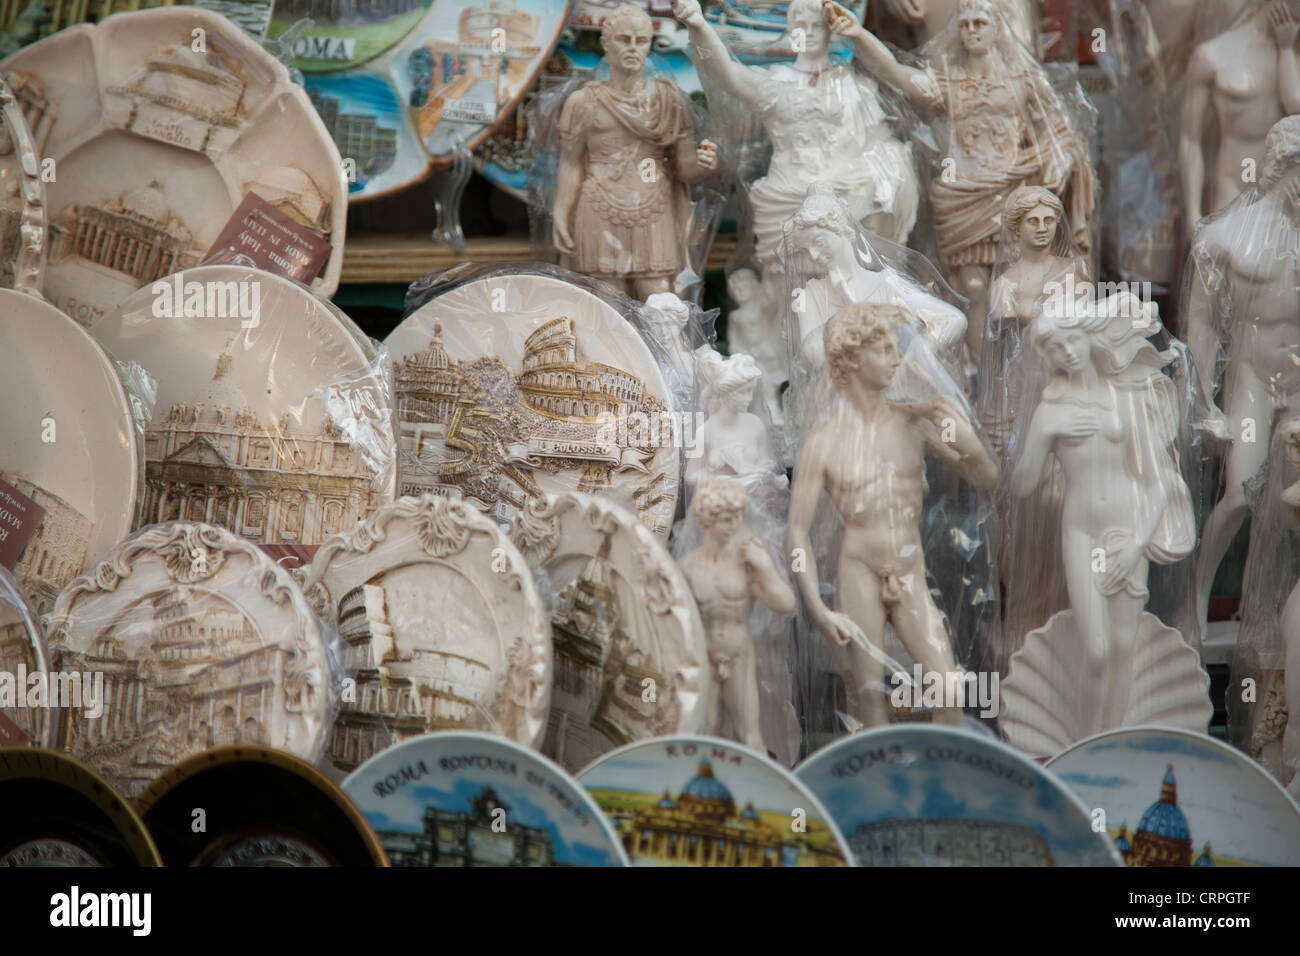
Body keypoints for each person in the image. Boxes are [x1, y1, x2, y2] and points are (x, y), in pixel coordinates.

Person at [828, 0, 1097, 358]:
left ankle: (1026, 374)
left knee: (1025, 288)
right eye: (966, 23)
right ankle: (981, 379)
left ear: (997, 29)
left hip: (1014, 193)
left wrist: (1056, 161)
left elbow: (1060, 133)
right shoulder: (948, 84)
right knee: (972, 288)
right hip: (962, 198)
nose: (972, 29)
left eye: (980, 22)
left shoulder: (1025, 80)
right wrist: (858, 35)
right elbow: (895, 72)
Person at [672, 0, 919, 366]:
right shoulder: (775, 83)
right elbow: (726, 74)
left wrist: (883, 171)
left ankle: (853, 359)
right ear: (792, 33)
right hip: (786, 195)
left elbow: (881, 140)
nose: (810, 34)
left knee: (847, 283)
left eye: (818, 27)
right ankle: (784, 367)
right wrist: (697, 25)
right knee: (783, 287)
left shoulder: (853, 85)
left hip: (844, 196)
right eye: (801, 27)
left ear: (829, 33)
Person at [788, 302, 998, 727]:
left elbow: (986, 479)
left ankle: (942, 778)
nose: (897, 359)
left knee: (949, 687)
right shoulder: (823, 444)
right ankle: (876, 783)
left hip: (909, 568)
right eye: (884, 349)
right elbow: (796, 532)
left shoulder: (913, 422)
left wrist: (969, 443)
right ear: (853, 357)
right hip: (858, 570)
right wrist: (817, 606)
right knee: (867, 698)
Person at [1010, 293, 1194, 734]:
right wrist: (1046, 433)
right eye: (1055, 348)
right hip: (1081, 530)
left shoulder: (1127, 395)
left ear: (1089, 338)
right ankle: (1089, 743)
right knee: (1096, 649)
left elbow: (1160, 481)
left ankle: (1113, 746)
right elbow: (1021, 485)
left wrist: (1135, 547)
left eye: (1072, 341)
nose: (1067, 353)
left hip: (1130, 528)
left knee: (1124, 646)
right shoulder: (1050, 410)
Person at [1189, 115, 1300, 639]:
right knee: (1240, 494)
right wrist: (1203, 400)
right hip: (1253, 375)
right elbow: (1203, 324)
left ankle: (1273, 614)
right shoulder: (1225, 237)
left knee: (1291, 504)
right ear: (1283, 168)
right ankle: (1195, 597)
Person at [552, 5, 717, 298]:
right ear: (606, 44)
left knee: (660, 298)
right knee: (606, 300)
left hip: (655, 207)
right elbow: (571, 164)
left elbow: (685, 167)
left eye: (641, 41)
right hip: (598, 207)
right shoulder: (582, 102)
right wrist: (561, 212)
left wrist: (703, 165)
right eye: (623, 39)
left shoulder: (668, 99)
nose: (632, 47)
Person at [679, 480, 795, 751]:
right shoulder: (688, 567)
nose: (734, 526)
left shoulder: (747, 561)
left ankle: (757, 791)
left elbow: (786, 603)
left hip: (739, 655)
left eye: (737, 518)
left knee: (750, 734)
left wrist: (765, 567)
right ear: (707, 520)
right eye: (727, 519)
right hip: (702, 658)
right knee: (705, 731)